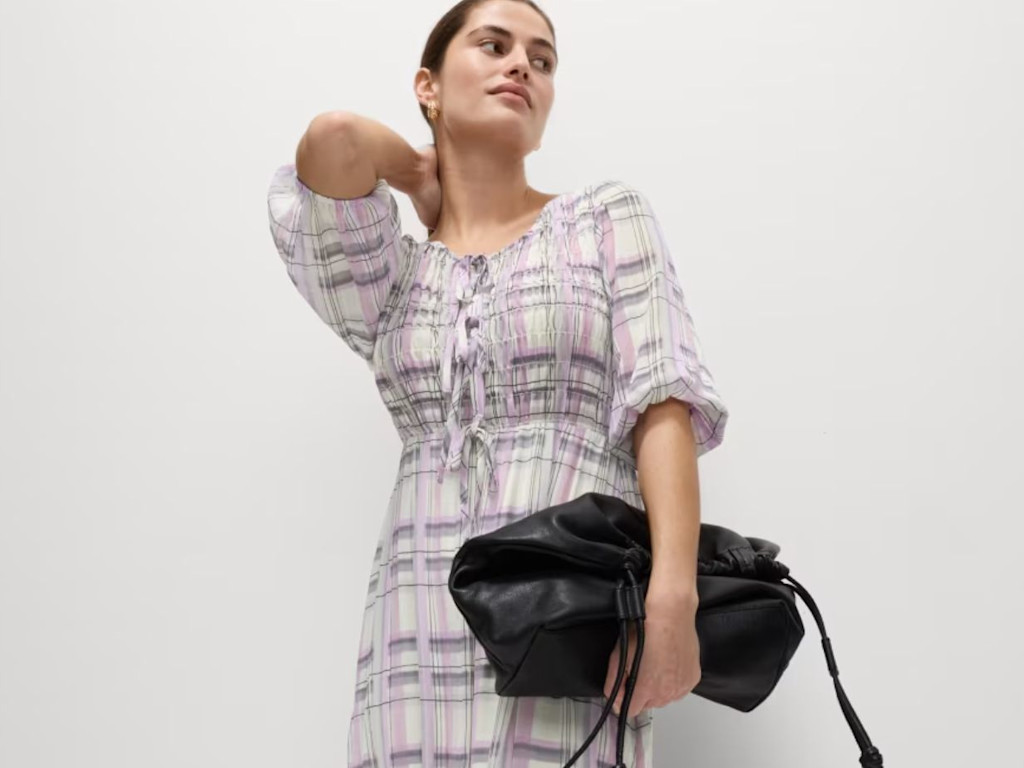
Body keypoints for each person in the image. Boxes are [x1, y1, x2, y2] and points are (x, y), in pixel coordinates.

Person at [265, 0, 729, 764]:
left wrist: (672, 599)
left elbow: (663, 401)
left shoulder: (602, 219)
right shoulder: (395, 276)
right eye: (494, 45)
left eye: (542, 60)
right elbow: (334, 138)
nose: (522, 65)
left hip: (570, 621)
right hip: (414, 634)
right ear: (428, 86)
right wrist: (418, 173)